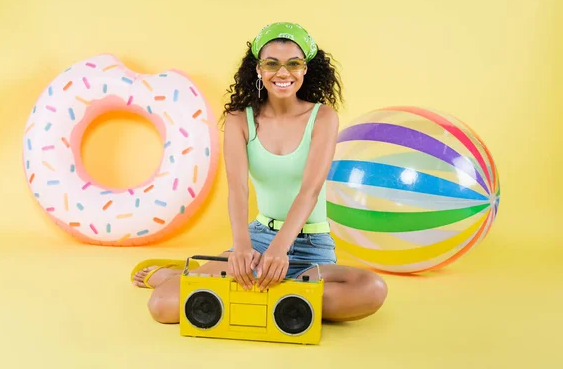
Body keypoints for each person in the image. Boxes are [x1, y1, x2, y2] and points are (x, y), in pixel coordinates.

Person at [132, 22, 388, 323]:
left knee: (371, 290)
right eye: (272, 64)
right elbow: (238, 188)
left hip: (312, 247)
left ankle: (235, 287)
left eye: (294, 64)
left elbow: (310, 190)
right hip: (258, 241)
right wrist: (242, 248)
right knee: (163, 305)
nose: (283, 73)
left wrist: (280, 251)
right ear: (258, 70)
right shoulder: (240, 119)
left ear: (305, 69)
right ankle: (283, 298)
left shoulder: (323, 117)